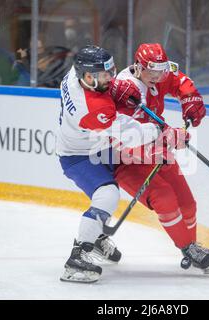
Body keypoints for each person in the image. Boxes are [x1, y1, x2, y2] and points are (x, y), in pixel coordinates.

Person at [109, 43, 209, 274]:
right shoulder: (126, 90)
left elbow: (179, 81)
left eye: (162, 71)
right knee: (165, 198)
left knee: (188, 204)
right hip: (127, 161)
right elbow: (125, 141)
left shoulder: (158, 74)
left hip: (159, 148)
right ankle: (188, 247)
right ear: (139, 67)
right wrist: (166, 140)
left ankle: (190, 247)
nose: (158, 77)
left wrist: (190, 99)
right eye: (153, 71)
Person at [57, 45, 163, 283]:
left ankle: (95, 237)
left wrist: (114, 87)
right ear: (87, 77)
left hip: (95, 145)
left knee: (114, 185)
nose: (111, 78)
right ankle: (77, 257)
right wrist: (156, 129)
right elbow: (127, 131)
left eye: (111, 72)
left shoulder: (73, 75)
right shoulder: (93, 108)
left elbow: (108, 100)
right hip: (79, 155)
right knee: (107, 195)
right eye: (106, 76)